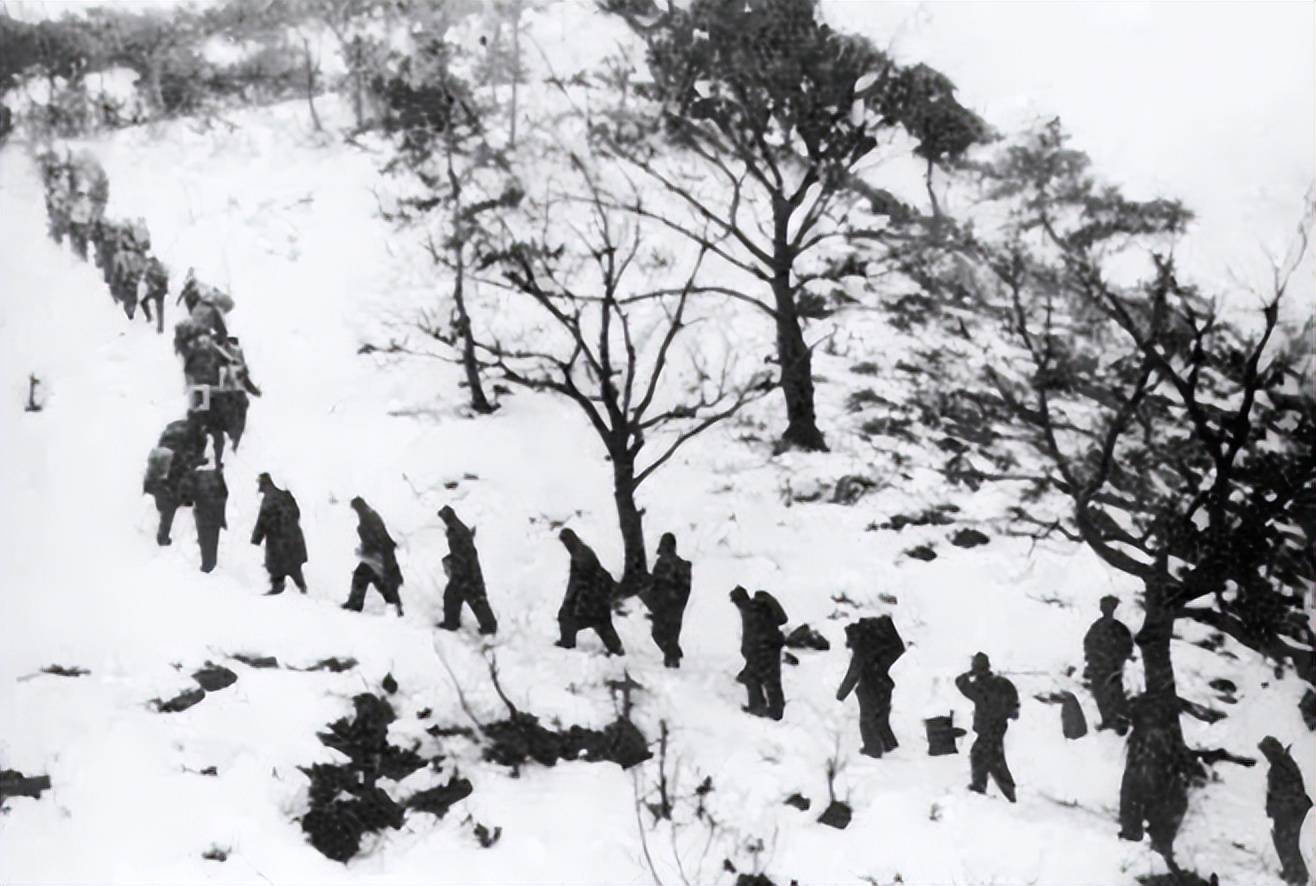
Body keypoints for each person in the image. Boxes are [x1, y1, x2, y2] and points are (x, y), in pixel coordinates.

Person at [1118, 690, 1189, 866]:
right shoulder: (1164, 733)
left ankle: (1144, 833)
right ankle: (1155, 837)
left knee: (1137, 795)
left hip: (1149, 770)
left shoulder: (1143, 738)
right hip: (1157, 772)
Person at [955, 652, 1019, 802]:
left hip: (986, 729)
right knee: (989, 756)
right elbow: (1014, 703)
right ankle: (989, 788)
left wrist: (970, 673)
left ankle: (997, 790)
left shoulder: (979, 687)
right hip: (999, 726)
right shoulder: (1003, 683)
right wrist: (1011, 711)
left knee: (987, 758)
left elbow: (960, 682)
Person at [837, 616, 904, 757]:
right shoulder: (880, 633)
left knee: (867, 720)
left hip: (870, 685)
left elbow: (855, 669)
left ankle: (872, 749)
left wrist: (841, 694)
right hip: (884, 682)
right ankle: (889, 745)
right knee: (881, 717)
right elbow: (897, 649)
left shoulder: (863, 641)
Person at [555, 529, 623, 655]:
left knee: (569, 617)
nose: (565, 545)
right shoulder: (581, 551)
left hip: (591, 597)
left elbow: (580, 581)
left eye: (565, 541)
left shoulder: (580, 555)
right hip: (596, 597)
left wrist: (571, 599)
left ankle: (568, 643)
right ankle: (616, 649)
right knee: (601, 622)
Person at [144, 415, 206, 546]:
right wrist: (199, 461)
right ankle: (163, 537)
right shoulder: (197, 432)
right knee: (170, 503)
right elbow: (194, 457)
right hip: (173, 467)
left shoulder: (174, 426)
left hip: (160, 465)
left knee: (163, 496)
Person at [1259, 736, 1311, 885]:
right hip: (1288, 812)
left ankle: (1298, 877)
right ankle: (1292, 873)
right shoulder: (1282, 763)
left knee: (1289, 845)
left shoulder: (1280, 767)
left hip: (1290, 813)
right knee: (1286, 844)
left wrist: (1274, 806)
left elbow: (1288, 792)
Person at [436, 506, 497, 635]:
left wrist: (458, 569)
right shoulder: (456, 528)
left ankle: (489, 627)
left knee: (475, 598)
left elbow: (464, 553)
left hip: (467, 572)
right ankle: (452, 623)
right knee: (453, 596)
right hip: (464, 570)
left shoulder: (456, 532)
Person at [731, 586, 787, 720]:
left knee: (755, 677)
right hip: (772, 644)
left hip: (762, 647)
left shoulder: (749, 609)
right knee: (771, 678)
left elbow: (750, 635)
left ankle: (760, 708)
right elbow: (781, 620)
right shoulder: (761, 605)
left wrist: (747, 651)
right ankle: (776, 708)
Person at [342, 497, 404, 616]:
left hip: (378, 556)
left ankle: (355, 605)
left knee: (362, 576)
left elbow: (378, 539)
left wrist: (365, 551)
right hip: (378, 555)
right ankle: (395, 605)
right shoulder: (369, 517)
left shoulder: (368, 519)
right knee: (379, 580)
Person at [251, 473, 308, 596]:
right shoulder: (287, 495)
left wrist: (256, 539)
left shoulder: (268, 499)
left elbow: (262, 521)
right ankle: (302, 587)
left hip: (277, 540)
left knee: (276, 565)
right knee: (294, 566)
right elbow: (297, 513)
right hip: (293, 538)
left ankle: (277, 587)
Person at [1084, 595, 1134, 733]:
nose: (1105, 610)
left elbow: (1127, 647)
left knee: (1114, 693)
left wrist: (1118, 661)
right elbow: (1088, 644)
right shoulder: (1097, 626)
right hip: (1098, 667)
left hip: (1112, 667)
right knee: (1100, 693)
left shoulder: (1119, 628)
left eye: (1108, 607)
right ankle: (1108, 720)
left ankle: (1121, 721)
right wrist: (1090, 659)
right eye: (1104, 607)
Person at [640, 533, 691, 667]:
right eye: (662, 551)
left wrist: (673, 599)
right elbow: (655, 584)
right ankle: (673, 654)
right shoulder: (660, 564)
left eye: (665, 550)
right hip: (661, 607)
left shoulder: (681, 566)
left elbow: (685, 589)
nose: (663, 554)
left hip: (674, 608)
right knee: (657, 634)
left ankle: (673, 661)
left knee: (670, 635)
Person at [180, 461, 227, 573]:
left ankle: (207, 567)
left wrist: (189, 501)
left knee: (205, 539)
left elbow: (187, 497)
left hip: (203, 514)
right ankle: (213, 562)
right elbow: (225, 492)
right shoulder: (217, 475)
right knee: (214, 538)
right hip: (216, 513)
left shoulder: (194, 476)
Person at [140, 255, 169, 334]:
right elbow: (146, 279)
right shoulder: (155, 269)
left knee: (158, 309)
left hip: (158, 292)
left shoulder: (156, 269)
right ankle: (157, 325)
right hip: (156, 292)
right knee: (158, 310)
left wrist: (159, 286)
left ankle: (159, 327)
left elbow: (164, 279)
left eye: (150, 262)